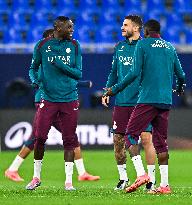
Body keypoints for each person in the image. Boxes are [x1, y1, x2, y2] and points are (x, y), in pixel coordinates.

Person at [5, 29, 99, 184]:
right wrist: (82, 83)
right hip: (47, 100)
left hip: (48, 99)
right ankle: (81, 173)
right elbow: (45, 79)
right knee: (67, 136)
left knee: (38, 136)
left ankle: (13, 169)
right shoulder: (46, 59)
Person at [104, 19, 185, 194]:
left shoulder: (143, 45)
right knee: (161, 143)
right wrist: (179, 88)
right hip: (165, 101)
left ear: (144, 31)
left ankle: (142, 175)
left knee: (130, 136)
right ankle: (164, 185)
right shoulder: (169, 47)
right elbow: (181, 75)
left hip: (146, 100)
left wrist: (114, 90)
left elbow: (133, 73)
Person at [24, 16, 95, 191]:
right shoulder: (42, 46)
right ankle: (36, 178)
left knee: (69, 139)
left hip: (69, 98)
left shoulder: (75, 46)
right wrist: (36, 80)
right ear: (58, 27)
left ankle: (69, 182)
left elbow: (78, 74)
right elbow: (33, 68)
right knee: (39, 137)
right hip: (47, 99)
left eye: (72, 27)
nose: (72, 29)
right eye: (69, 27)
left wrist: (59, 64)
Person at [102, 15, 156, 191]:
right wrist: (107, 90)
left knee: (146, 139)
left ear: (136, 28)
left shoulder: (146, 47)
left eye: (125, 25)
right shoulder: (119, 47)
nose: (122, 28)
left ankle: (150, 180)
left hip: (142, 100)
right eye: (122, 24)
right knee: (118, 140)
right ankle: (123, 177)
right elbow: (113, 72)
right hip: (122, 101)